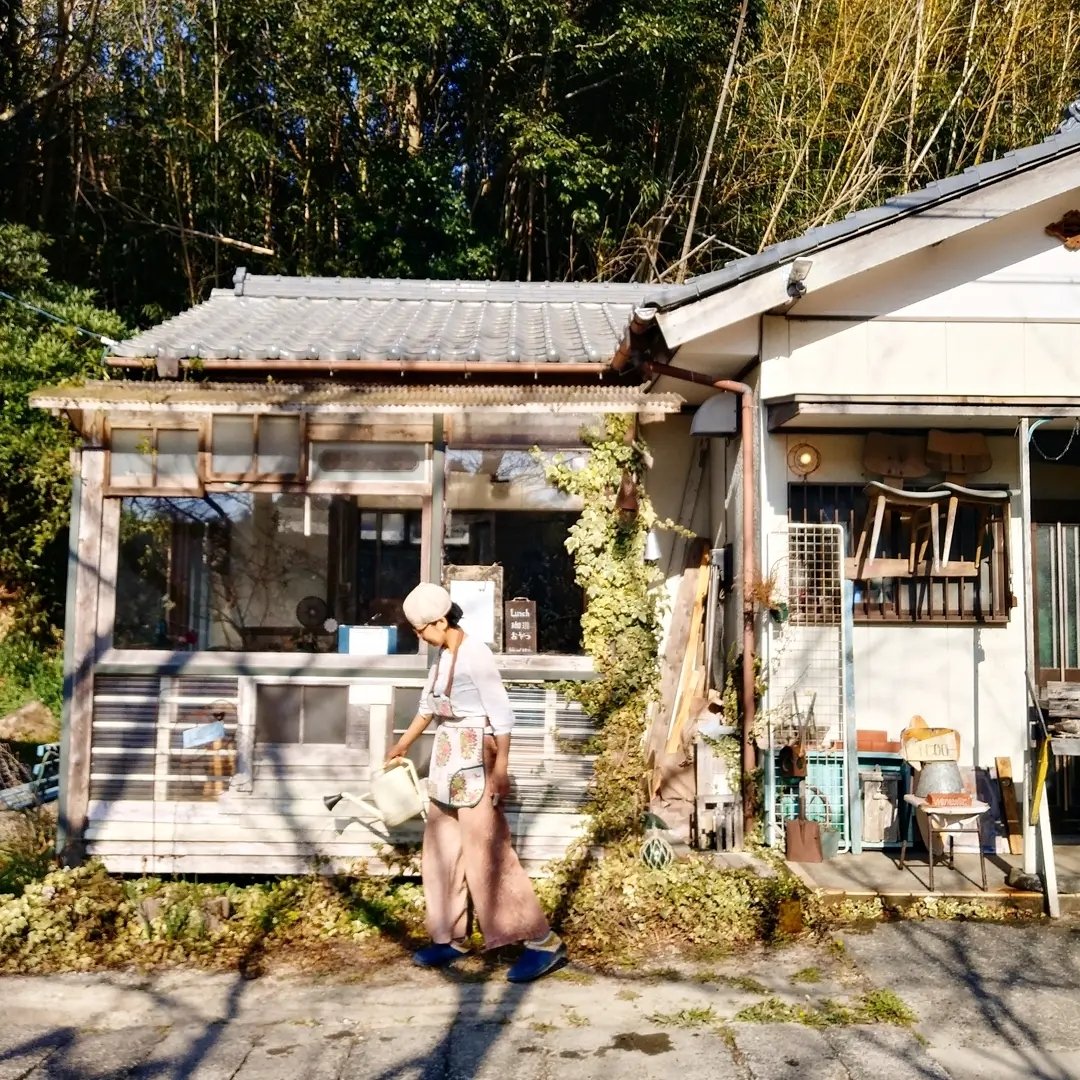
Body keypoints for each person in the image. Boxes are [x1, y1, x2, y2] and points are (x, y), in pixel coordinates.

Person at [385, 582, 567, 983]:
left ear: (440, 620)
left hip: (476, 760)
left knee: (488, 852)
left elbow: (502, 717)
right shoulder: (440, 660)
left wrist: (501, 770)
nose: (419, 637)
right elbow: (425, 710)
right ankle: (450, 937)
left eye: (421, 630)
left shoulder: (476, 654)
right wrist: (400, 745)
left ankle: (542, 942)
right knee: (440, 851)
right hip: (446, 760)